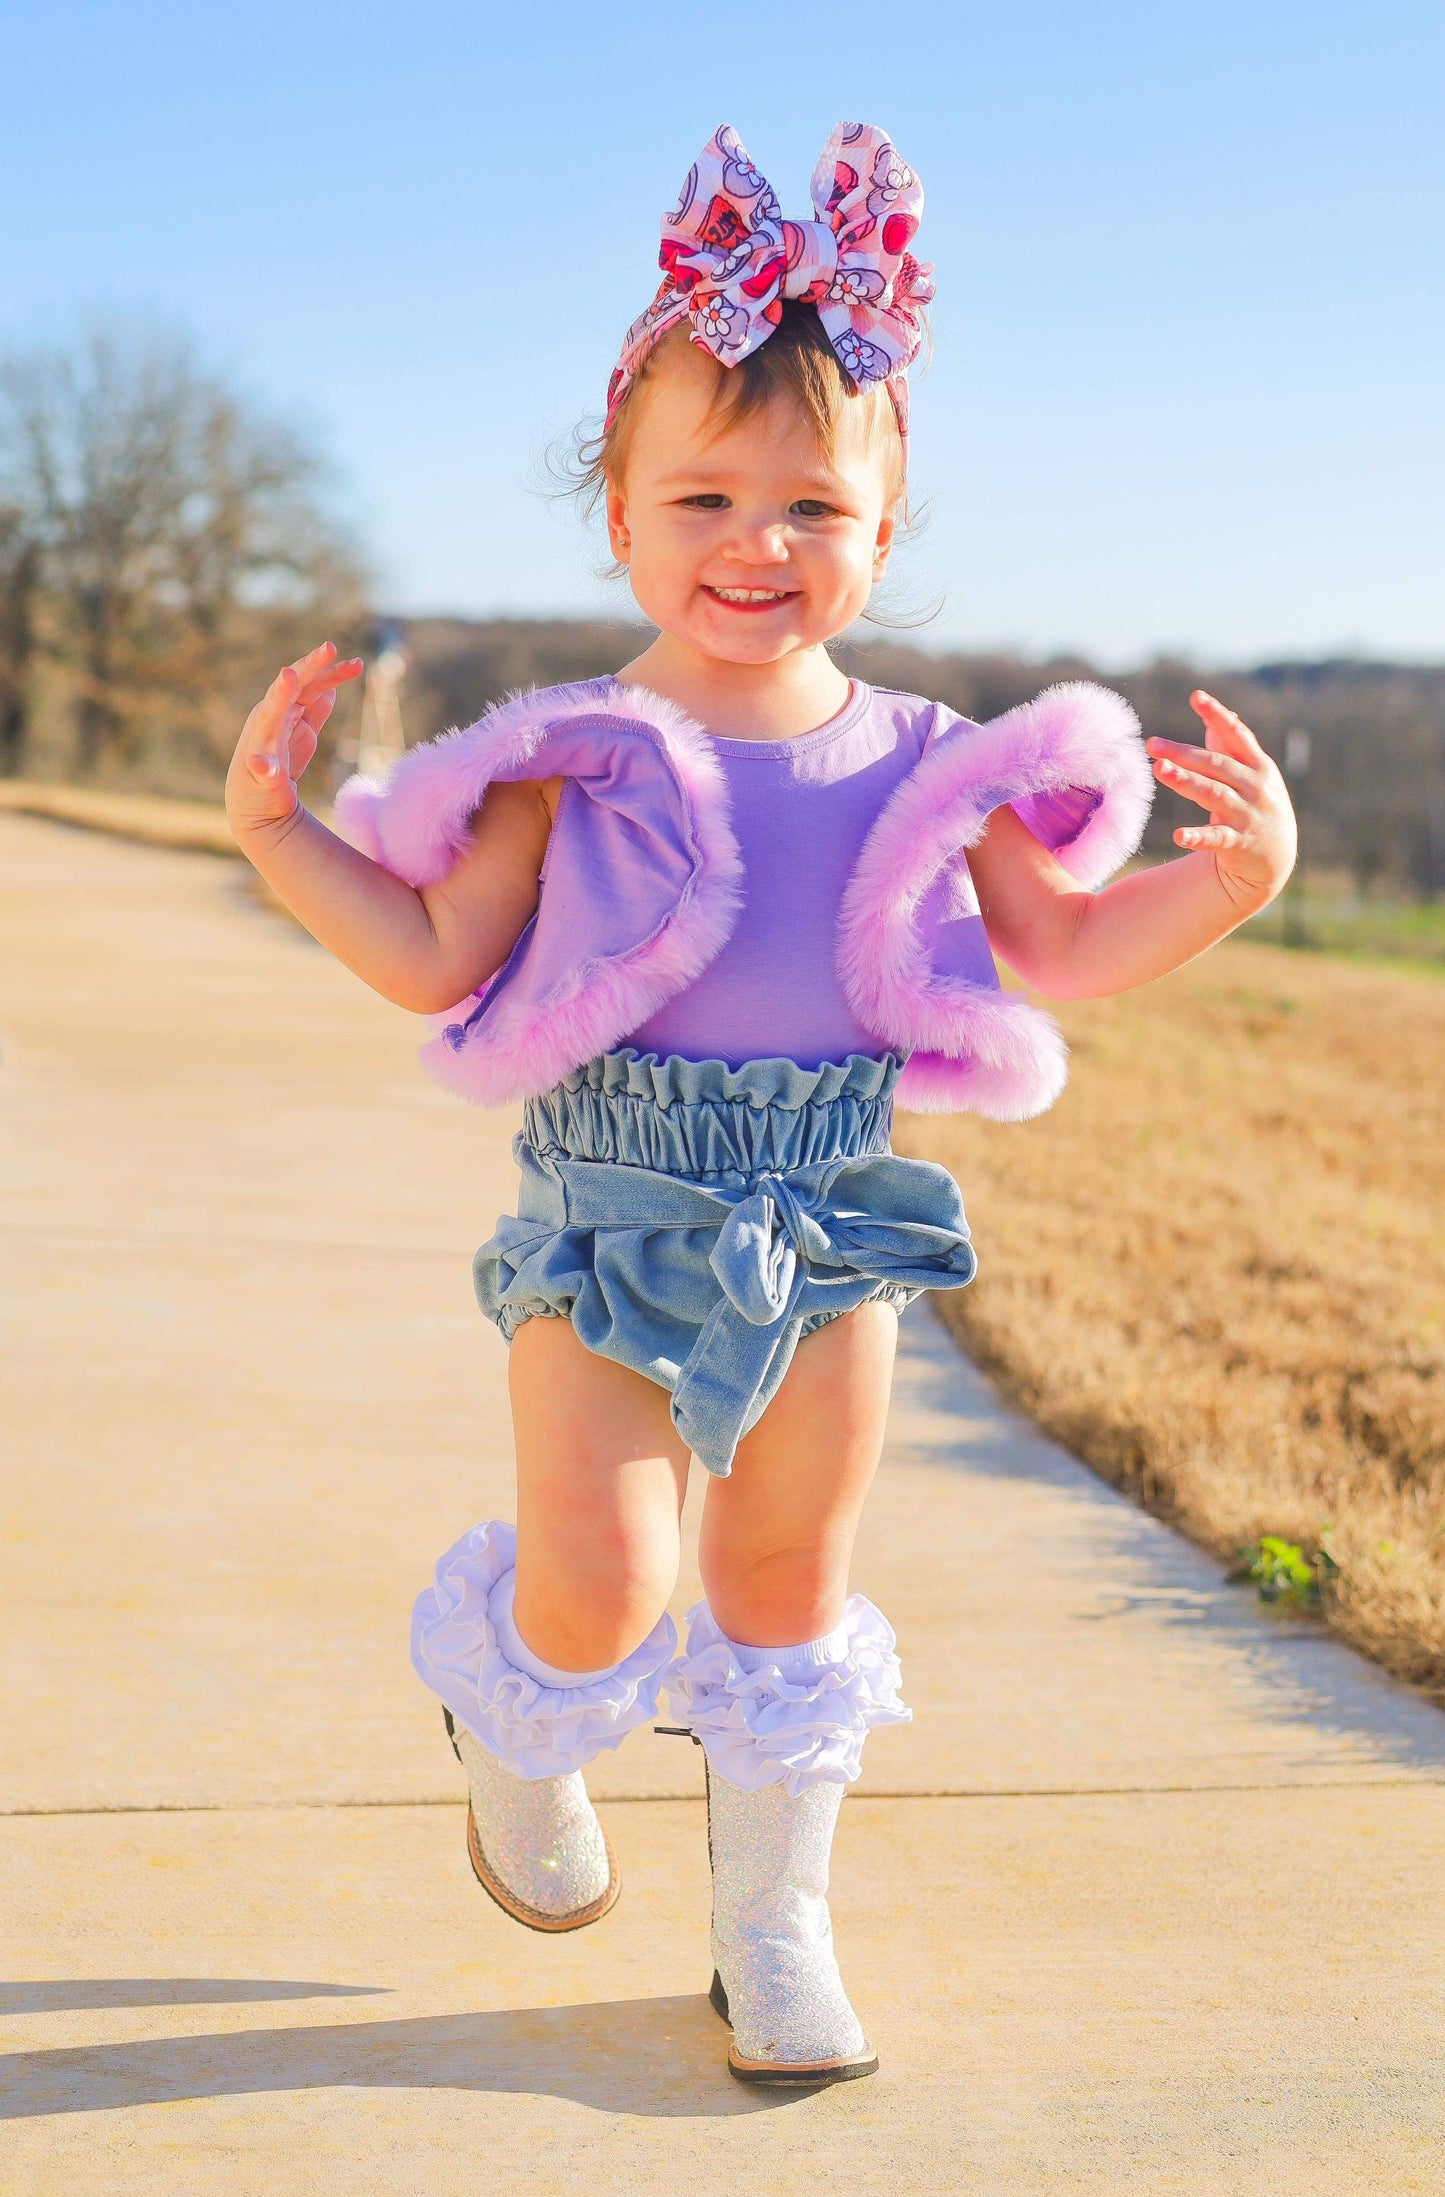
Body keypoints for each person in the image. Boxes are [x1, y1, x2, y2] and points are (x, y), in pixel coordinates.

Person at [224, 122, 1297, 2087]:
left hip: (836, 1216)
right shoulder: (577, 757)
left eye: (814, 503)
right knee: (604, 1579)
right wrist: (282, 837)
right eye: (703, 493)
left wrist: (1219, 885)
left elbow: (1053, 943)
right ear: (619, 513)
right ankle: (522, 1722)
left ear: (883, 528)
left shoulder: (921, 756)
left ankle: (771, 1920)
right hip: (611, 1218)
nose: (756, 541)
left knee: (789, 1576)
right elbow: (430, 945)